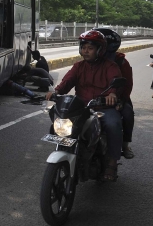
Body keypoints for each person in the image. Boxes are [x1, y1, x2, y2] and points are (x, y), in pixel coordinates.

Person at [46, 30, 123, 182]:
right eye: (83, 47)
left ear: (99, 50)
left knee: (114, 124)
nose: (85, 51)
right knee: (60, 121)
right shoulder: (78, 66)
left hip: (102, 108)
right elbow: (67, 81)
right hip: (82, 108)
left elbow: (115, 80)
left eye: (90, 48)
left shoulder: (110, 66)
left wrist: (112, 94)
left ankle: (112, 163)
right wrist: (55, 92)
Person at [94, 28, 135, 159]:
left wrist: (120, 100)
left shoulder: (120, 62)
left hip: (116, 99)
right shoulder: (88, 60)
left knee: (128, 114)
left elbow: (127, 85)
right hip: (91, 99)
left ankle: (125, 144)